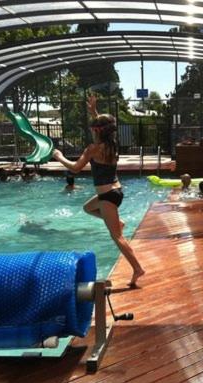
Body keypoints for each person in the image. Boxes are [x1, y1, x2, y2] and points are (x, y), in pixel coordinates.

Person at [52, 94, 145, 288]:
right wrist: (93, 110)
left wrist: (59, 157)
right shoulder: (112, 143)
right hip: (115, 190)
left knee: (117, 236)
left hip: (107, 196)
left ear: (96, 130)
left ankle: (137, 268)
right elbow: (104, 125)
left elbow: (76, 168)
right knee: (87, 207)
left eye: (93, 127)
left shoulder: (93, 149)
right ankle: (117, 222)